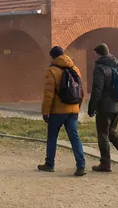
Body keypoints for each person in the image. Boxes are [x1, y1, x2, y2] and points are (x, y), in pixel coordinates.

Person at [37, 45, 86, 176]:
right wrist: (77, 107)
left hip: (57, 111)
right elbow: (80, 91)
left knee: (52, 137)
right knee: (75, 138)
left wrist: (45, 112)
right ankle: (81, 165)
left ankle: (50, 164)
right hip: (73, 110)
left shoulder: (51, 70)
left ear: (52, 57)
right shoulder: (75, 69)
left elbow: (49, 94)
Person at [87, 43, 118, 172]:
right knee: (111, 132)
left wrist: (91, 108)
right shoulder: (117, 65)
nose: (93, 56)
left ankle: (105, 164)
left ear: (98, 53)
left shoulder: (100, 68)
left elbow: (97, 90)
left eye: (94, 54)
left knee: (103, 134)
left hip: (105, 107)